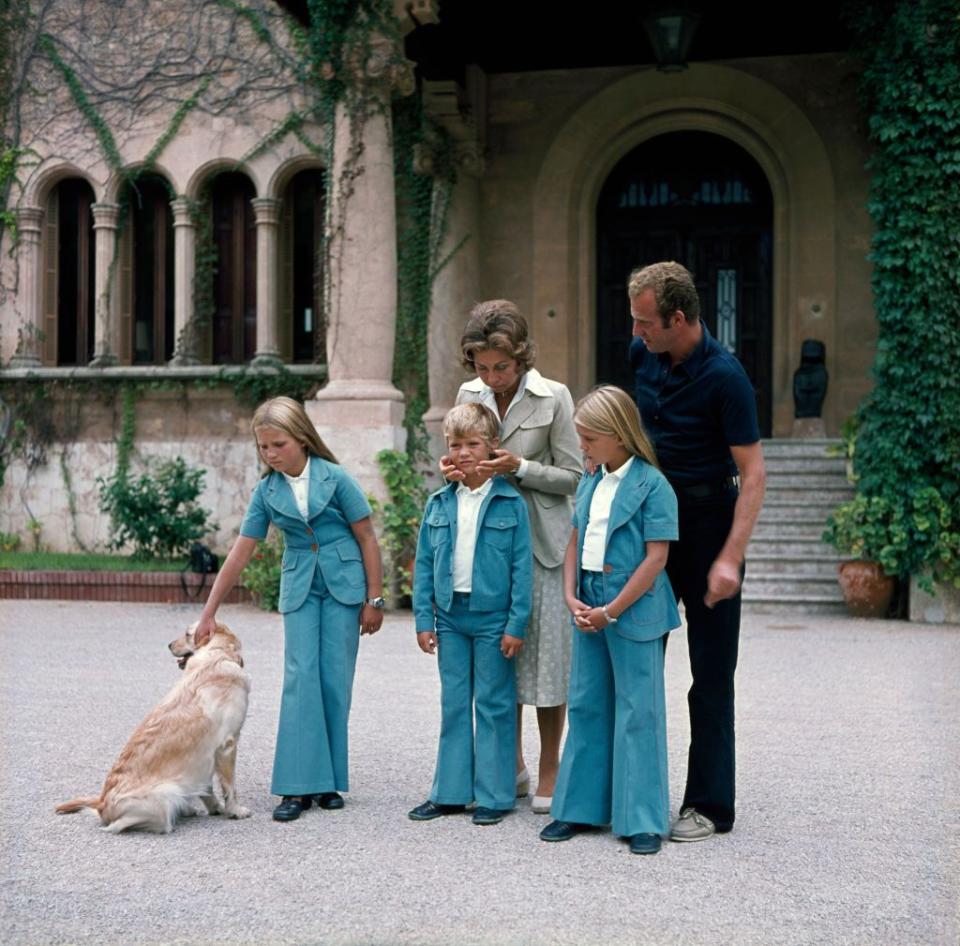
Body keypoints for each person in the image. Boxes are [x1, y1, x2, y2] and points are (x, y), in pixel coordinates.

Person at [193, 396, 385, 823]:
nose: (271, 454)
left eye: (278, 444)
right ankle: (296, 787)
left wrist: (375, 600)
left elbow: (368, 538)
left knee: (335, 679)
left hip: (344, 586)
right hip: (299, 587)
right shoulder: (267, 491)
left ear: (301, 438)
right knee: (300, 678)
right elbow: (240, 553)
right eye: (263, 447)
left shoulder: (336, 479)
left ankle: (327, 782)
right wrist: (208, 613)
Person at [628, 261, 766, 841]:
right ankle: (633, 795)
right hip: (652, 525)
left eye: (644, 322)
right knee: (636, 663)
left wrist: (730, 556)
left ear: (677, 318)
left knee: (710, 675)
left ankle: (709, 805)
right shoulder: (643, 357)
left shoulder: (727, 377)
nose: (635, 334)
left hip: (710, 529)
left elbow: (753, 473)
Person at [444, 300, 582, 813]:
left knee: (545, 663)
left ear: (521, 357)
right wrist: (458, 467)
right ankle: (513, 766)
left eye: (500, 366)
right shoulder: (468, 394)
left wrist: (520, 466)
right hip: (485, 542)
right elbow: (463, 454)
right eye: (481, 367)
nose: (492, 377)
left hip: (542, 543)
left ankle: (551, 769)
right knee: (500, 660)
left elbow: (573, 476)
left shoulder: (555, 397)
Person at [539, 385, 680, 856]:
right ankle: (577, 809)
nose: (582, 446)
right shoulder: (591, 480)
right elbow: (574, 543)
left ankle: (642, 819)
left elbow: (656, 560)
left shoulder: (655, 486)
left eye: (590, 438)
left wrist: (611, 611)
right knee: (585, 704)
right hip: (590, 602)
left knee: (640, 710)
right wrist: (570, 596)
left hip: (634, 609)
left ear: (619, 435)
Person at [409, 403, 533, 826]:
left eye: (472, 444)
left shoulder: (511, 504)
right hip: (449, 617)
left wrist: (517, 624)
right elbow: (424, 563)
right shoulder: (439, 503)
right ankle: (449, 793)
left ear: (492, 447)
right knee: (454, 702)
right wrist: (424, 619)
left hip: (494, 619)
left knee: (495, 704)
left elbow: (522, 569)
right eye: (455, 445)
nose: (463, 453)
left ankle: (495, 795)